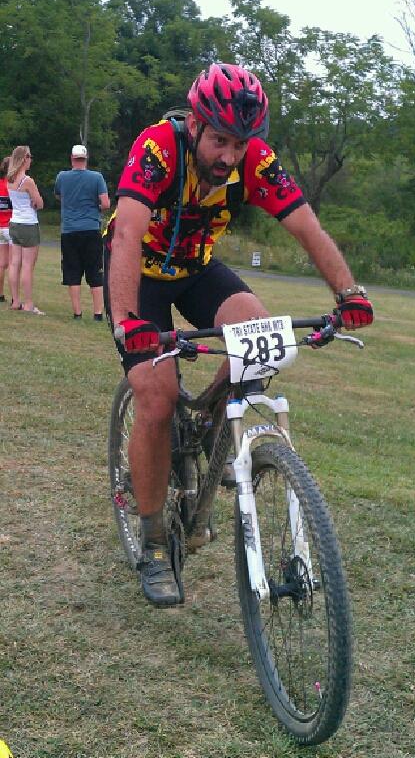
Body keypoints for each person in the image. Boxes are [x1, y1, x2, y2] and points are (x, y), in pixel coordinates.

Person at [107, 63, 374, 608]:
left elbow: (306, 226)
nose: (229, 156)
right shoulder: (159, 149)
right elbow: (129, 232)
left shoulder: (254, 161)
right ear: (196, 126)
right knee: (155, 398)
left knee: (258, 329)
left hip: (197, 269)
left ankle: (208, 426)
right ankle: (155, 544)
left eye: (240, 143)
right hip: (141, 273)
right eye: (220, 140)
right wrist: (128, 319)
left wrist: (349, 293)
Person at [54, 145, 110, 321]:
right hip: (91, 228)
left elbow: (58, 196)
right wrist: (96, 207)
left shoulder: (62, 177)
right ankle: (98, 313)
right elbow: (106, 203)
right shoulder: (96, 177)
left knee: (72, 271)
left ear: (72, 158)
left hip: (69, 230)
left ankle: (77, 313)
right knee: (94, 271)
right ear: (86, 159)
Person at [7, 146, 45, 314]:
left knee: (14, 263)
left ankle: (16, 301)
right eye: (29, 156)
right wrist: (34, 201)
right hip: (28, 224)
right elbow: (40, 203)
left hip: (14, 222)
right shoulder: (27, 180)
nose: (31, 160)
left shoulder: (9, 179)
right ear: (23, 159)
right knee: (28, 266)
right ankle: (29, 304)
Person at [0, 156, 12, 303]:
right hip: (12, 227)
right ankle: (15, 297)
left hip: (0, 227)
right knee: (14, 263)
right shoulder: (15, 186)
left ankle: (1, 294)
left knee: (2, 263)